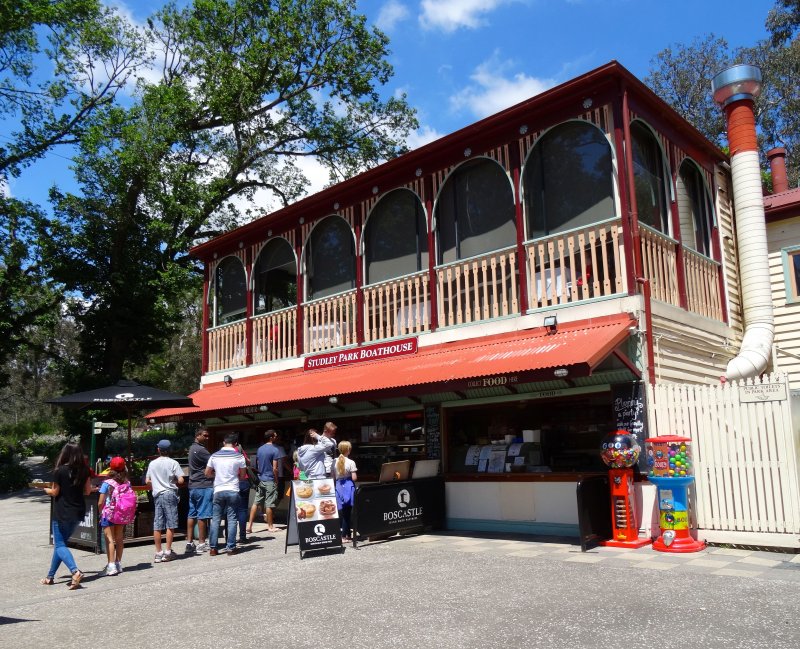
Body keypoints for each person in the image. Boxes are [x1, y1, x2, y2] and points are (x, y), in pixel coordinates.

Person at [38, 443, 91, 589]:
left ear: (65, 454)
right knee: (60, 546)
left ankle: (75, 571)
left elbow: (55, 492)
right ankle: (50, 577)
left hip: (62, 512)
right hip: (78, 511)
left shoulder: (59, 471)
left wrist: (46, 490)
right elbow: (87, 491)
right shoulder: (85, 470)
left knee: (60, 545)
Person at [205, 432, 247, 556]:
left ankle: (213, 548)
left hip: (218, 489)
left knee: (216, 519)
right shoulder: (239, 457)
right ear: (235, 444)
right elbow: (243, 475)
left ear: (224, 442)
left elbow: (207, 473)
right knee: (232, 518)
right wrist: (236, 478)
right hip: (233, 489)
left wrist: (216, 475)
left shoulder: (214, 456)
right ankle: (231, 548)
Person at [145, 439, 184, 563]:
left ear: (158, 450)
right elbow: (181, 480)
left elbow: (147, 481)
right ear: (169, 450)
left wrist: (157, 482)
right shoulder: (174, 463)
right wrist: (173, 481)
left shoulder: (152, 464)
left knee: (158, 524)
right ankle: (168, 551)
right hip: (169, 493)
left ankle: (158, 552)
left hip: (157, 494)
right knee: (170, 523)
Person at [97, 456, 131, 576]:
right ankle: (118, 563)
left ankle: (110, 566)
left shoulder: (107, 483)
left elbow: (101, 502)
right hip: (121, 513)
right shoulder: (127, 483)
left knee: (109, 539)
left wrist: (100, 512)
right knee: (119, 538)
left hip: (109, 513)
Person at [186, 428, 213, 554]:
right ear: (198, 435)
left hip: (193, 485)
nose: (207, 438)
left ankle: (189, 542)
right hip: (203, 485)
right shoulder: (201, 450)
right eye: (205, 436)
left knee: (192, 514)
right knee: (202, 514)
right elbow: (214, 462)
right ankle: (202, 543)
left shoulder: (191, 448)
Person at [248, 430, 280, 533]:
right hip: (270, 479)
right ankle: (270, 526)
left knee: (256, 502)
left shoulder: (260, 449)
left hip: (260, 478)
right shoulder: (275, 450)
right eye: (275, 436)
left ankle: (250, 526)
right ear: (271, 437)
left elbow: (257, 463)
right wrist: (276, 479)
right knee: (269, 503)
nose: (276, 437)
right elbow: (275, 468)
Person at [335, 441, 358, 542]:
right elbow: (354, 477)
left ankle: (347, 534)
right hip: (348, 487)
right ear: (348, 450)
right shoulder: (351, 462)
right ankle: (344, 535)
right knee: (347, 513)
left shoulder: (334, 462)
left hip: (338, 486)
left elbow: (332, 476)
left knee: (344, 512)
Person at [234, 442, 251, 544]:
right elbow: (248, 462)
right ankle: (242, 536)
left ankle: (230, 538)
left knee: (231, 512)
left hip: (231, 483)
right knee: (242, 510)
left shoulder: (223, 452)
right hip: (243, 481)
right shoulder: (240, 451)